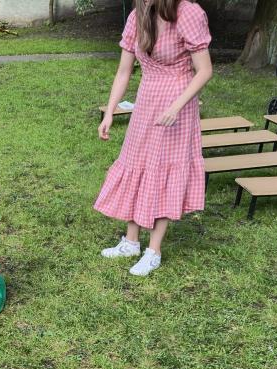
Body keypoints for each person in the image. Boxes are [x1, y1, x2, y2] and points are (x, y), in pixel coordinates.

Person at [95, 0, 212, 276]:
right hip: (147, 100)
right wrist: (110, 111)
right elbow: (124, 71)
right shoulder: (138, 16)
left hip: (177, 103)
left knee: (162, 171)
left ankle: (154, 250)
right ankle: (131, 242)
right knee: (136, 164)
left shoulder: (188, 13)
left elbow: (205, 70)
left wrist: (176, 107)